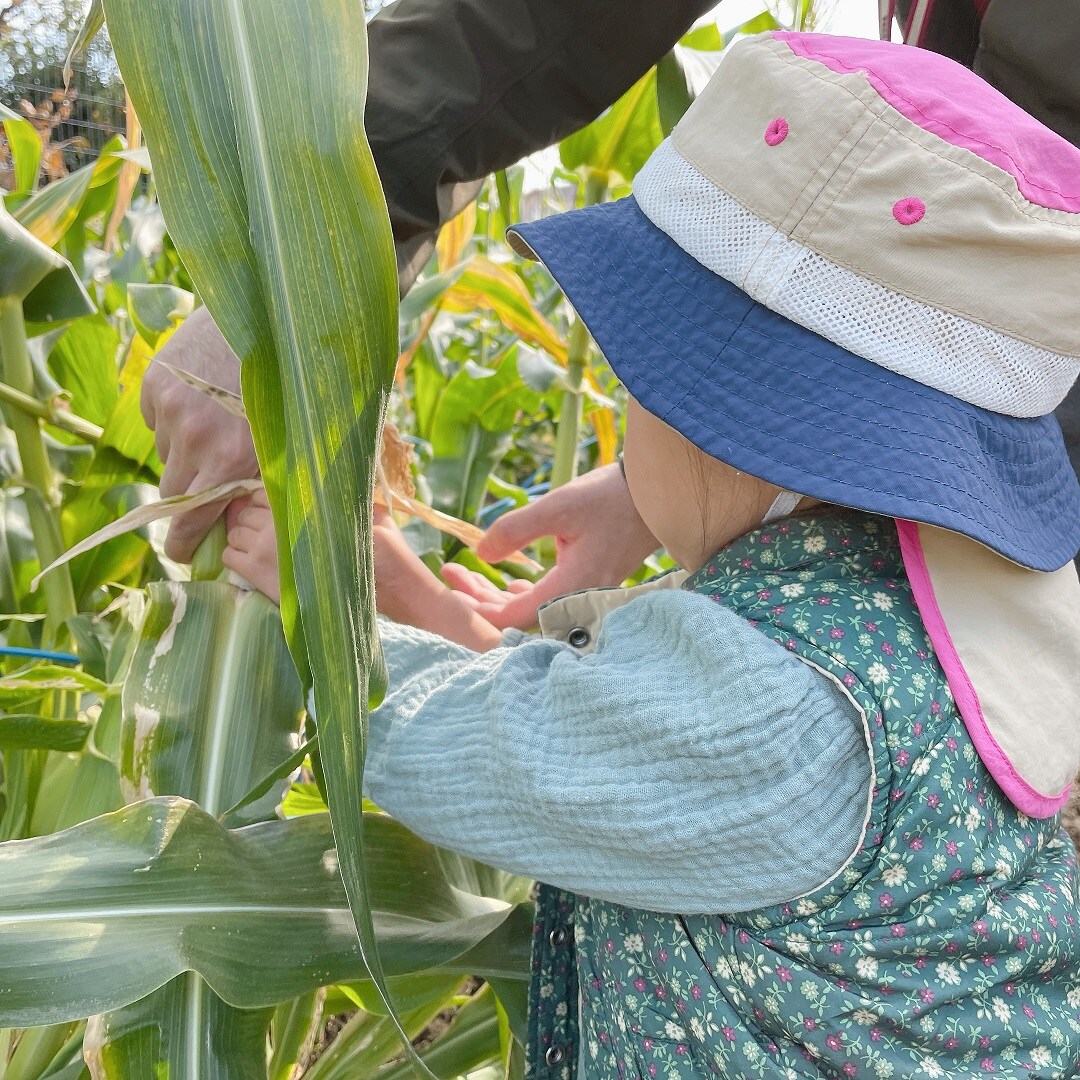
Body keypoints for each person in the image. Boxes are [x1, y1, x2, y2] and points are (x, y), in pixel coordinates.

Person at [222, 32, 1080, 1077]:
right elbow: (661, 713)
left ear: (720, 415)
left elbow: (483, 763)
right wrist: (477, 642)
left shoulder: (784, 712)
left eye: (643, 386)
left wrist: (345, 599)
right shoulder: (937, 599)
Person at [143, 0, 1080, 596]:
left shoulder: (816, 659)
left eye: (656, 381)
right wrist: (679, 489)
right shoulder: (917, 613)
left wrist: (396, 608)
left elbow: (607, 779)